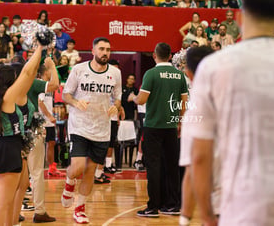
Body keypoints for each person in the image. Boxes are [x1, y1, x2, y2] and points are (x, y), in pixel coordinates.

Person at [187, 0, 274, 226]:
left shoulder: (213, 67)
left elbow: (199, 155)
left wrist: (208, 215)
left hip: (243, 202)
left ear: (240, 18)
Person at [0, 40, 43, 226]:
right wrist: (40, 47)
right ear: (10, 81)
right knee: (2, 203)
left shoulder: (3, 97)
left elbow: (28, 75)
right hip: (7, 148)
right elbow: (28, 73)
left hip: (2, 146)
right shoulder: (9, 97)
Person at [61, 37, 122, 223]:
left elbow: (117, 97)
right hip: (79, 125)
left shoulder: (115, 73)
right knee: (78, 167)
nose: (105, 53)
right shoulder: (79, 70)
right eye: (102, 49)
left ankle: (80, 208)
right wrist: (75, 102)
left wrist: (116, 106)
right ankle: (69, 181)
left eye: (108, 50)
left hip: (102, 128)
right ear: (93, 50)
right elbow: (66, 95)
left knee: (90, 171)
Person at [132, 42, 188, 217]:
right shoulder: (179, 75)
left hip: (153, 126)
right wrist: (179, 122)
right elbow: (184, 103)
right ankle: (173, 205)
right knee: (172, 166)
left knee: (154, 166)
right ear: (170, 56)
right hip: (171, 127)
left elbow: (141, 100)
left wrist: (133, 97)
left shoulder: (151, 74)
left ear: (154, 55)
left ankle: (153, 207)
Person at [178, 46, 215, 226]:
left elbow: (195, 165)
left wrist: (186, 217)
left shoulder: (195, 112)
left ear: (188, 73)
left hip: (222, 208)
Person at [25, 56, 59, 223]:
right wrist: (52, 66)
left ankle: (14, 209)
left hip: (14, 129)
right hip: (32, 127)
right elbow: (55, 84)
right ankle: (39, 211)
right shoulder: (33, 82)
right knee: (36, 172)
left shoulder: (9, 83)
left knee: (18, 172)